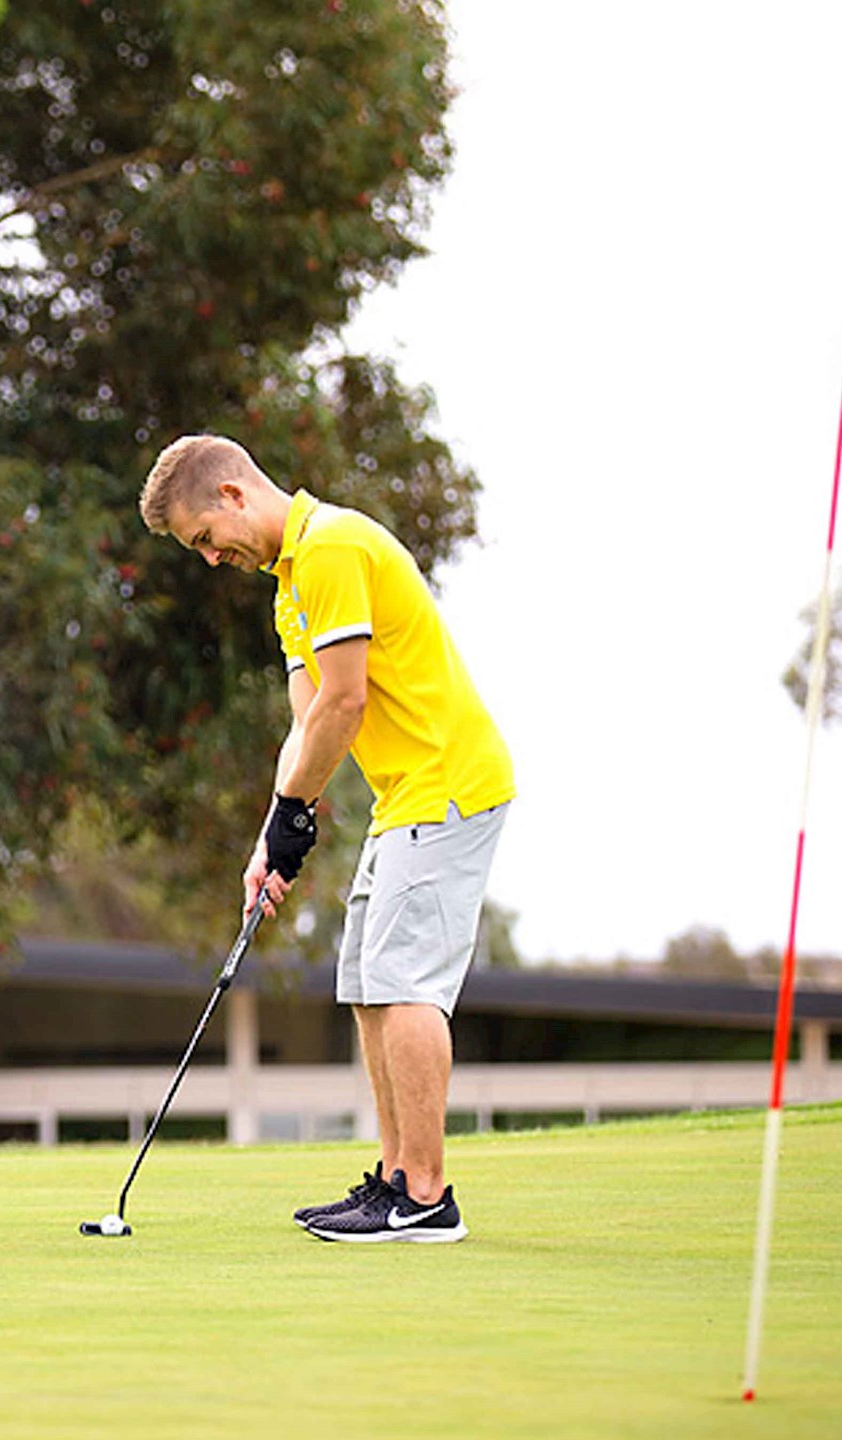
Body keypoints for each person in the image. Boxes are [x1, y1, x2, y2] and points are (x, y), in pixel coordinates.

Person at [139, 434, 512, 1244]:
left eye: (204, 538)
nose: (208, 559)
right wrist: (274, 834)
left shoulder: (333, 547)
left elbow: (345, 704)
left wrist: (295, 808)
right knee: (368, 981)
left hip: (448, 784)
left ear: (233, 496)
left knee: (404, 981)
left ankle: (426, 1194)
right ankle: (394, 1181)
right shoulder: (290, 587)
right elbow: (307, 720)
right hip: (404, 796)